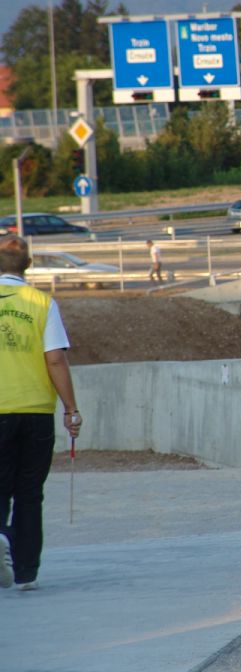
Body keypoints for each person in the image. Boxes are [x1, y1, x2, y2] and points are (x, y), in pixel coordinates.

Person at [0, 235, 82, 591]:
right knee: (30, 493)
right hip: (35, 412)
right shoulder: (41, 302)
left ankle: (1, 539)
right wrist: (71, 409)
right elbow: (55, 358)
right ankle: (26, 573)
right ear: (28, 266)